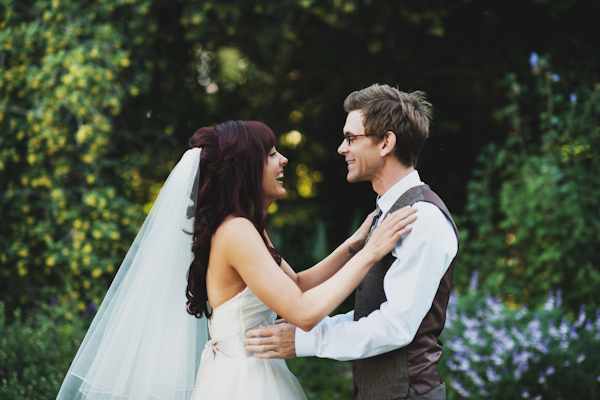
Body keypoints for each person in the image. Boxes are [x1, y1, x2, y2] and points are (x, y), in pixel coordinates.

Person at [57, 120, 417, 400]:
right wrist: (372, 253)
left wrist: (354, 244)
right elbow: (303, 311)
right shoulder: (236, 232)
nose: (283, 160)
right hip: (245, 381)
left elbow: (297, 286)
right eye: (272, 153)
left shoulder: (246, 228)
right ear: (246, 167)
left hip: (255, 373)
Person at [245, 85, 460, 400]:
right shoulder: (385, 214)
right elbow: (372, 311)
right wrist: (305, 330)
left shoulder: (421, 219)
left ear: (386, 142)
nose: (341, 149)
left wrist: (306, 340)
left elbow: (395, 327)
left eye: (351, 138)